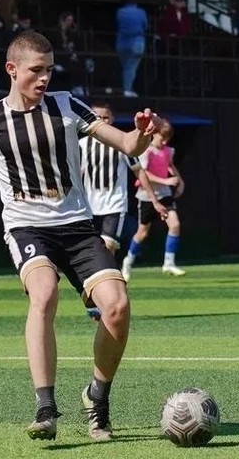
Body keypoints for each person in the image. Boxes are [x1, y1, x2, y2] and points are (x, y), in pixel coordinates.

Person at [0, 30, 162, 442]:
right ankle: (45, 408)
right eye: (36, 70)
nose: (45, 77)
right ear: (12, 70)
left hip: (77, 227)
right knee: (44, 293)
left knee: (117, 307)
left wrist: (141, 133)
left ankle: (96, 397)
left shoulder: (67, 105)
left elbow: (127, 145)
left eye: (49, 69)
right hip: (27, 227)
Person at [79, 102, 168, 321]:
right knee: (90, 255)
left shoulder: (120, 143)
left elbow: (140, 172)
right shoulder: (81, 145)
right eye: (98, 116)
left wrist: (154, 200)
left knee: (107, 249)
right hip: (89, 207)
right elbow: (76, 174)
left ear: (112, 119)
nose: (102, 120)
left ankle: (105, 302)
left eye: (106, 117)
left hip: (114, 206)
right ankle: (97, 299)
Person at [122, 119, 185, 282]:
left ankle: (169, 263)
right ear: (154, 134)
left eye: (167, 139)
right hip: (147, 196)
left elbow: (170, 165)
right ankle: (127, 262)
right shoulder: (147, 151)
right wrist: (166, 181)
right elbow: (144, 175)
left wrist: (180, 181)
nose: (164, 142)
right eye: (162, 138)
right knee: (142, 233)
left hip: (164, 195)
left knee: (175, 225)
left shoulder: (168, 151)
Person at [116, 0, 148, 98]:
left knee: (125, 67)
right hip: (136, 42)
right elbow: (145, 25)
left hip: (121, 42)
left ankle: (126, 88)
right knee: (131, 67)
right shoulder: (141, 12)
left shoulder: (120, 12)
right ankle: (127, 90)